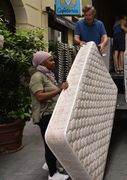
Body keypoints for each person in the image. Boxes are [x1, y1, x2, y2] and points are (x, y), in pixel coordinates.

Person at [29, 51, 69, 180]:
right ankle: (52, 174)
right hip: (45, 114)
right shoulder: (37, 76)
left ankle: (51, 165)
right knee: (50, 143)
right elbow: (39, 96)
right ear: (42, 63)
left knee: (53, 142)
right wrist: (59, 89)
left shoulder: (48, 75)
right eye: (50, 60)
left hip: (51, 113)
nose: (54, 62)